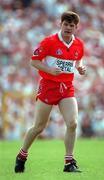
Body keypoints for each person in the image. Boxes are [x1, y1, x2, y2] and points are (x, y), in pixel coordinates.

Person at [14, 11, 86, 173]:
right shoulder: (49, 42)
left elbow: (79, 58)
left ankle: (69, 162)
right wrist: (49, 70)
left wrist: (80, 67)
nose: (68, 27)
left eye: (71, 25)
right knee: (39, 127)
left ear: (76, 27)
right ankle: (22, 155)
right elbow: (34, 61)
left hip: (67, 87)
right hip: (48, 86)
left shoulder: (78, 44)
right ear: (60, 24)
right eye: (66, 24)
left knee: (73, 123)